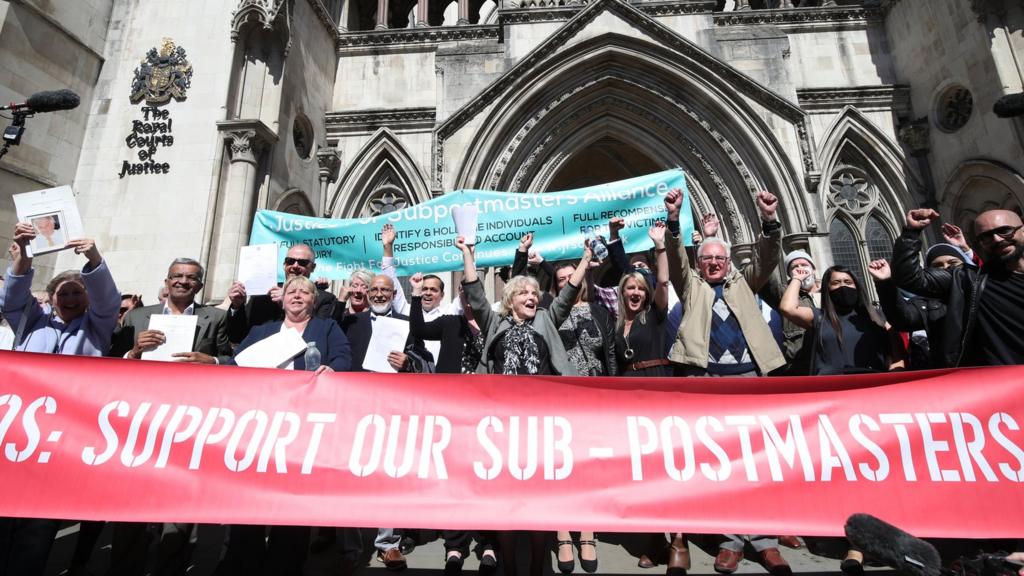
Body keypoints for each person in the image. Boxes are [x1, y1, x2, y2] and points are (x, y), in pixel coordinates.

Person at [663, 189, 790, 575]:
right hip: (708, 380)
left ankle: (766, 542)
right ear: (700, 264)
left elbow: (768, 256)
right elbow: (675, 260)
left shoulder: (744, 282)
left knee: (756, 462)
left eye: (720, 258)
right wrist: (674, 220)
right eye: (708, 259)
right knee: (721, 463)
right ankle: (732, 541)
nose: (714, 263)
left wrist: (769, 220)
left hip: (750, 378)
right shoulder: (692, 286)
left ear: (729, 261)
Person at [0, 222, 119, 576]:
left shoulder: (97, 328)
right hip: (18, 434)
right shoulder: (32, 323)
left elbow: (108, 301)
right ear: (50, 298)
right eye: (63, 294)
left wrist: (94, 258)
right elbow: (11, 299)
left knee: (38, 529)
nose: (69, 300)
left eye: (77, 294)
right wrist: (22, 256)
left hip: (63, 439)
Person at [105, 258, 233, 576]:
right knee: (131, 512)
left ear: (200, 284)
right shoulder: (137, 316)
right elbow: (111, 366)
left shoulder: (215, 317)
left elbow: (231, 360)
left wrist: (213, 360)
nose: (182, 282)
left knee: (177, 511)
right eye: (177, 276)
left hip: (187, 424)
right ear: (167, 280)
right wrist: (133, 353)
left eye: (190, 278)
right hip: (142, 421)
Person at [220, 275, 350, 576]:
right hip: (261, 428)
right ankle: (244, 561)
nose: (297, 295)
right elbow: (235, 366)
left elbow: (344, 357)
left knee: (292, 507)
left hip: (303, 432)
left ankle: (285, 565)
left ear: (313, 301)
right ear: (282, 298)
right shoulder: (262, 330)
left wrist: (333, 368)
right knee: (250, 502)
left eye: (305, 292)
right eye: (292, 291)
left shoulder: (327, 327)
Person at [892, 208, 1024, 367]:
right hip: (1007, 384)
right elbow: (908, 277)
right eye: (986, 237)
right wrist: (911, 232)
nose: (996, 239)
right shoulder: (969, 280)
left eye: (1005, 231)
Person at [779, 264, 899, 375]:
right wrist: (797, 279)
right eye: (836, 283)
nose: (843, 286)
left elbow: (898, 355)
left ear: (856, 286)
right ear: (827, 289)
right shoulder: (819, 316)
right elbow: (787, 308)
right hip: (833, 387)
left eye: (848, 282)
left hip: (873, 385)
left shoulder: (876, 316)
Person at [874, 243, 975, 369]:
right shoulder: (926, 304)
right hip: (954, 375)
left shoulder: (982, 291)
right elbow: (903, 318)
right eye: (937, 266)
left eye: (953, 263)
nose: (947, 268)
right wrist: (885, 283)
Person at [226, 244, 342, 343]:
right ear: (284, 264)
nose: (295, 266)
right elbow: (237, 337)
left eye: (302, 262)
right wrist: (237, 306)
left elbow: (319, 337)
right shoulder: (262, 295)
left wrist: (288, 301)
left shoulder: (324, 298)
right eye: (290, 261)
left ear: (313, 267)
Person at [615, 221, 671, 377]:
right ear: (622, 292)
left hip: (653, 380)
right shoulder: (617, 325)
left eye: (641, 289)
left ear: (647, 294)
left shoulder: (654, 314)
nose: (636, 292)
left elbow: (663, 282)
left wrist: (660, 245)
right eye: (631, 288)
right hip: (627, 387)